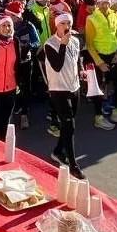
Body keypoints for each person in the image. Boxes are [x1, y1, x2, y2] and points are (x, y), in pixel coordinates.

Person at [43, 13, 86, 179]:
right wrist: (62, 44)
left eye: (69, 23)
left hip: (74, 87)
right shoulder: (50, 43)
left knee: (69, 125)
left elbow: (77, 58)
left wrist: (81, 69)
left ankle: (57, 151)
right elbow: (57, 66)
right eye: (63, 23)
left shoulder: (75, 40)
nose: (67, 26)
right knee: (69, 125)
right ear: (57, 25)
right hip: (58, 89)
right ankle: (73, 165)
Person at [85, 0, 117, 129]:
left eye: (106, 3)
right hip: (99, 56)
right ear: (97, 4)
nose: (103, 6)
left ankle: (116, 111)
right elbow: (89, 44)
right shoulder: (91, 18)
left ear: (110, 3)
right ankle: (98, 118)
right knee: (99, 89)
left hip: (113, 55)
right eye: (100, 3)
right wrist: (99, 62)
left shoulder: (115, 15)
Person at [5, 0, 39, 130]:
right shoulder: (6, 26)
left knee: (25, 87)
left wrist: (29, 46)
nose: (9, 17)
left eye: (11, 15)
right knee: (13, 86)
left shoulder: (28, 25)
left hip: (25, 62)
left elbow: (36, 41)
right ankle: (16, 106)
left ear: (17, 15)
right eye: (8, 14)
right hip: (11, 62)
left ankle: (24, 114)